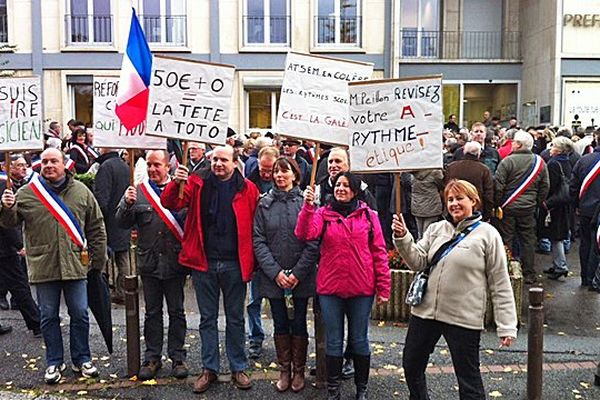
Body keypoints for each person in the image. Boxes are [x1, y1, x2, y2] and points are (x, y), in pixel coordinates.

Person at [393, 179, 517, 400]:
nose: (454, 204)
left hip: (463, 317)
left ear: (473, 201)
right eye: (450, 199)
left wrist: (506, 325)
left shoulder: (488, 234)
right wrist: (403, 238)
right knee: (411, 364)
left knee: (468, 380)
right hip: (425, 312)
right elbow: (418, 262)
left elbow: (500, 282)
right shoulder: (436, 229)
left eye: (460, 198)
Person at [0, 148, 107, 384]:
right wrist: (7, 207)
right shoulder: (27, 193)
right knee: (48, 316)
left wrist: (98, 262)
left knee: (79, 313)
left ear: (64, 164)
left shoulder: (82, 191)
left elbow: (96, 227)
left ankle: (82, 359)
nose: (49, 165)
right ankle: (54, 362)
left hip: (75, 264)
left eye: (54, 161)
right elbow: (10, 223)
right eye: (45, 161)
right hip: (43, 266)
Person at [161, 145, 259, 393]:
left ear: (235, 162)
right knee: (207, 319)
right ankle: (209, 369)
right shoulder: (197, 183)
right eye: (215, 159)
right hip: (204, 262)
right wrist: (176, 181)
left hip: (235, 263)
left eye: (224, 160)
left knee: (236, 318)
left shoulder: (248, 189)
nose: (218, 164)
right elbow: (171, 202)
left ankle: (238, 366)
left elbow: (256, 226)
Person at [295, 172, 390, 400]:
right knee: (334, 341)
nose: (341, 189)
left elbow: (379, 251)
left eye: (346, 185)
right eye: (338, 185)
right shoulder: (322, 213)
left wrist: (384, 287)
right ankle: (333, 390)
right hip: (331, 288)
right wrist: (307, 207)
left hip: (361, 288)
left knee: (359, 339)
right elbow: (304, 233)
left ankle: (362, 389)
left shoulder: (369, 216)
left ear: (355, 190)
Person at [116, 149, 189, 381]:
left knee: (177, 311)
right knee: (152, 312)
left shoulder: (180, 190)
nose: (152, 169)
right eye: (149, 165)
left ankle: (178, 356)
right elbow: (121, 222)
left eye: (157, 165)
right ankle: (152, 357)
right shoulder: (137, 192)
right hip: (149, 263)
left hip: (175, 261)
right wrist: (127, 205)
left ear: (168, 166)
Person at [253, 157, 318, 392]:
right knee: (280, 321)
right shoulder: (264, 204)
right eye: (276, 172)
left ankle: (299, 370)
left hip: (301, 275)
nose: (280, 176)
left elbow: (313, 240)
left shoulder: (306, 203)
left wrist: (298, 273)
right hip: (274, 276)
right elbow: (258, 240)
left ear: (295, 174)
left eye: (285, 171)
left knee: (299, 321)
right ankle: (284, 369)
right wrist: (275, 272)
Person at [495, 130, 549, 284]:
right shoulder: (539, 162)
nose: (512, 144)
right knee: (528, 240)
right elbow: (545, 186)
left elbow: (499, 186)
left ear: (518, 144)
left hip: (508, 208)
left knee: (507, 239)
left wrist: (498, 204)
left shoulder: (507, 162)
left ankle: (506, 271)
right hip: (528, 208)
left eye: (514, 142)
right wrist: (536, 202)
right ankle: (529, 273)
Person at [245, 145, 280, 359]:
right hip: (256, 249)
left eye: (270, 170)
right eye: (263, 169)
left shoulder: (284, 182)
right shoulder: (249, 182)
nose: (266, 174)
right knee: (253, 300)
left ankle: (281, 338)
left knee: (279, 303)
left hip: (277, 249)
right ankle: (255, 338)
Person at [0, 156, 41, 336]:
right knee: (19, 284)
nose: (24, 169)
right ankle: (37, 322)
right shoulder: (3, 185)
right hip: (4, 247)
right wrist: (18, 245)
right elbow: (6, 221)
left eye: (25, 165)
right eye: (19, 165)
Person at [93, 148, 131, 304]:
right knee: (123, 256)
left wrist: (98, 220)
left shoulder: (106, 167)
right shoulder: (125, 165)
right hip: (123, 216)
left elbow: (102, 198)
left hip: (110, 219)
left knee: (103, 256)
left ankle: (103, 291)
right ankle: (124, 289)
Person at [570, 130, 600, 289]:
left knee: (586, 243)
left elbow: (573, 186)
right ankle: (595, 278)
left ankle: (585, 277)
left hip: (586, 209)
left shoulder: (584, 161)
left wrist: (576, 206)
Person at [541, 137, 574, 280]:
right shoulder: (569, 161)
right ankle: (557, 264)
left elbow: (551, 185)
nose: (550, 148)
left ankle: (560, 266)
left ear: (559, 149)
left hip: (555, 204)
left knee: (556, 236)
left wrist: (546, 201)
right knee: (558, 235)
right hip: (564, 203)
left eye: (553, 146)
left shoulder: (553, 164)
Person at [445, 141, 494, 221]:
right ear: (479, 153)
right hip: (476, 211)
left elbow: (445, 189)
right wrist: (487, 215)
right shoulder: (484, 169)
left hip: (454, 210)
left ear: (464, 152)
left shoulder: (451, 167)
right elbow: (488, 194)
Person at [410, 169, 444, 239]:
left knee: (419, 233)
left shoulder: (412, 173)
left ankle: (418, 247)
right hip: (432, 205)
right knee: (429, 232)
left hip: (417, 204)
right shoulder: (435, 173)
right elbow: (442, 185)